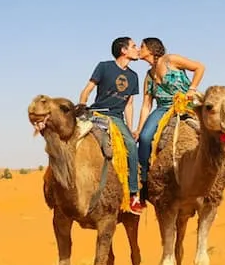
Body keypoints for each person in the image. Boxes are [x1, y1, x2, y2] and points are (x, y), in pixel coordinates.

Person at [134, 37, 206, 202]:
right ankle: (144, 181)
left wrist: (192, 88)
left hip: (185, 103)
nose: (139, 49)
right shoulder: (148, 76)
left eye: (142, 46)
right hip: (162, 108)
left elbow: (199, 67)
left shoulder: (171, 60)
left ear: (151, 49)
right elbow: (146, 105)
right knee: (145, 138)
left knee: (208, 134)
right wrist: (139, 128)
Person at [79, 36, 144, 213]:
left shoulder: (134, 76)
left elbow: (129, 105)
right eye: (133, 46)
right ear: (123, 50)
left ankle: (133, 194)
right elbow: (87, 90)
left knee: (130, 144)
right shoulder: (104, 67)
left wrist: (130, 129)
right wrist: (82, 108)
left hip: (116, 118)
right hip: (97, 113)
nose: (137, 49)